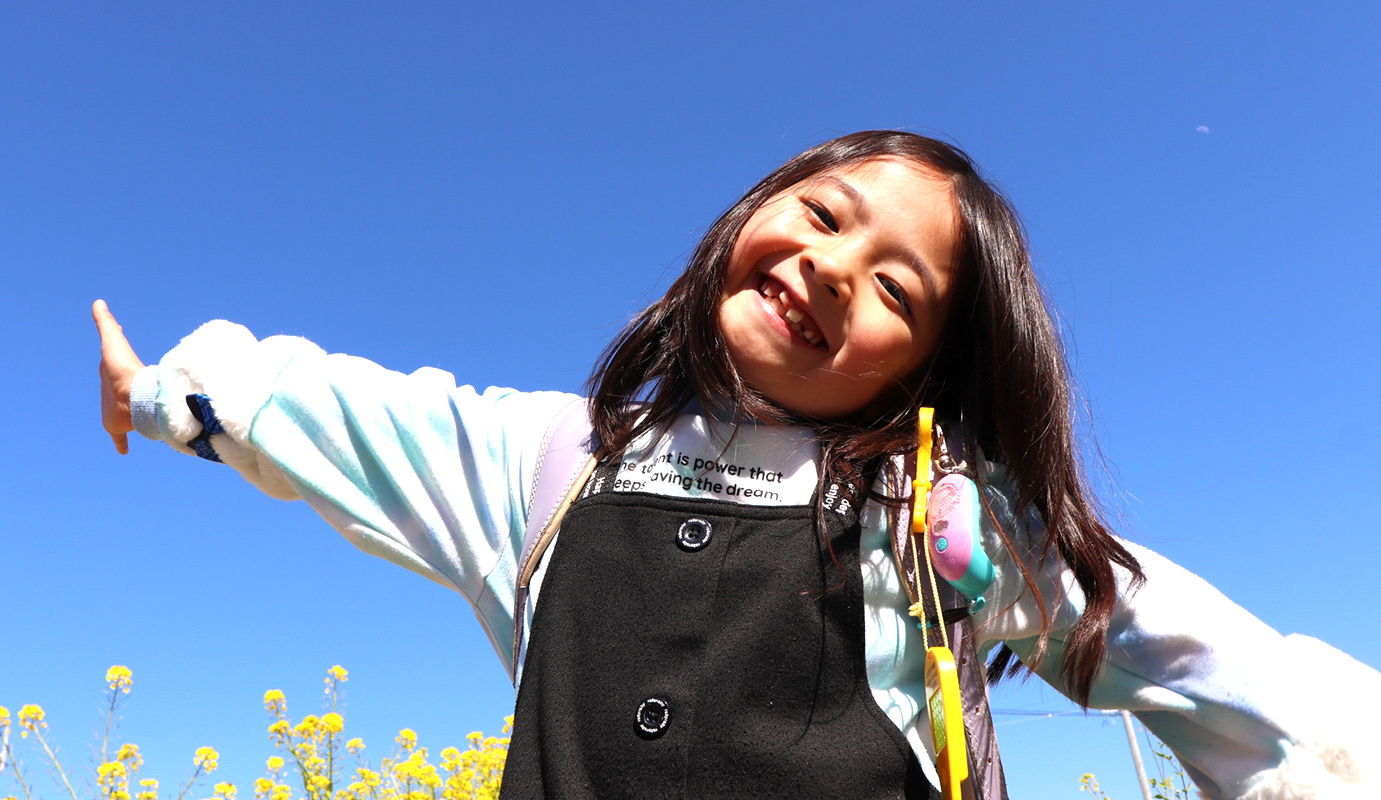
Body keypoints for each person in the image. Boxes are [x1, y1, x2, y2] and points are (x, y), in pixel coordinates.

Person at [95, 131, 1377, 799]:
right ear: (753, 211)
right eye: (823, 215)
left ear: (919, 372)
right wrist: (162, 390)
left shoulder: (931, 511)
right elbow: (351, 417)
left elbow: (1176, 640)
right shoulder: (553, 460)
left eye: (896, 289)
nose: (832, 267)